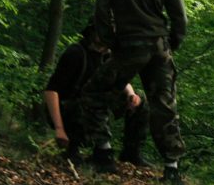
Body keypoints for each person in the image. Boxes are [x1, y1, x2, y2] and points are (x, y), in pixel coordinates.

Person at [78, 0, 188, 180]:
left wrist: (110, 42)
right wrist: (171, 45)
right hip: (159, 46)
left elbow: (102, 13)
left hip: (127, 45)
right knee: (164, 104)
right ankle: (172, 168)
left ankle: (103, 153)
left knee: (95, 92)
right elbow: (180, 20)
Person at [43, 21, 150, 165]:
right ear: (92, 31)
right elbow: (52, 91)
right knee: (90, 103)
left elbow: (120, 81)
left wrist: (131, 95)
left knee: (140, 98)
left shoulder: (109, 56)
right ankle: (78, 149)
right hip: (70, 110)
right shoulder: (76, 53)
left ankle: (131, 152)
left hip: (94, 106)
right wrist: (59, 129)